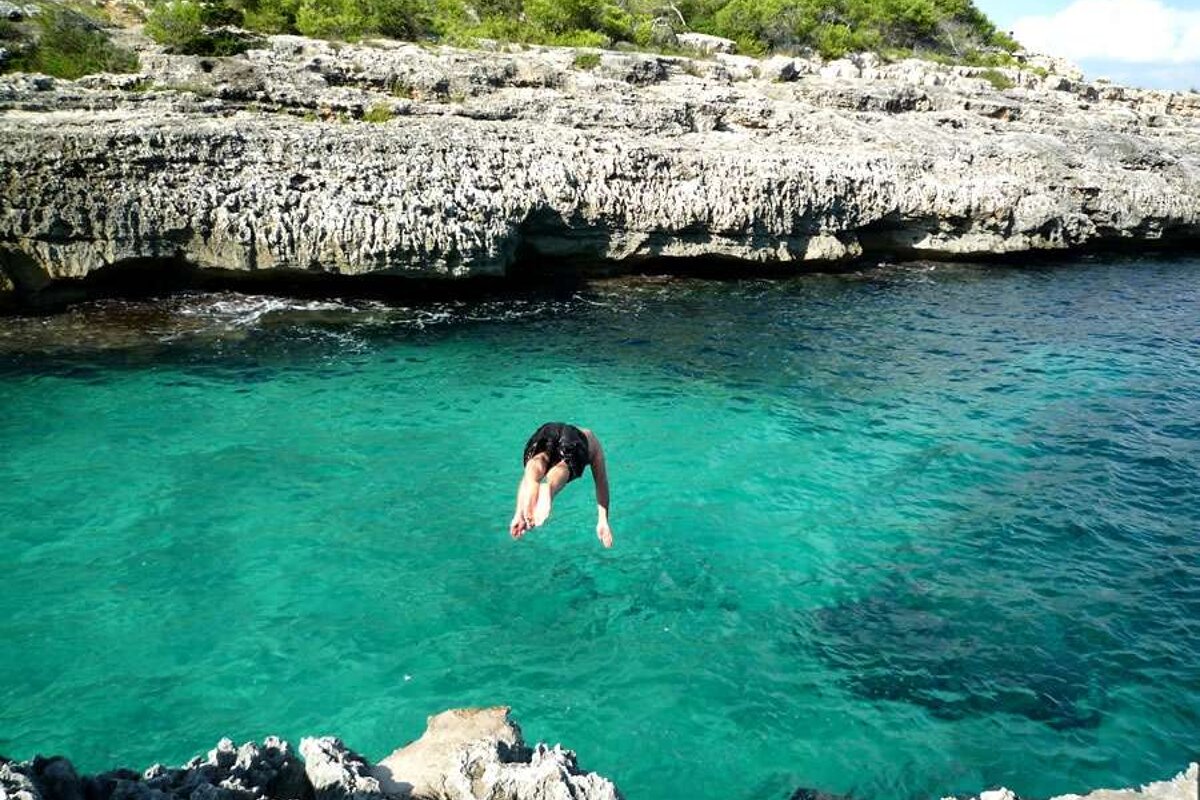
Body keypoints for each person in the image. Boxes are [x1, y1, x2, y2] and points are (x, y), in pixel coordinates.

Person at [510, 422, 613, 548]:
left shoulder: (586, 434)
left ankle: (534, 479)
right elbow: (601, 482)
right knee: (566, 465)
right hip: (575, 439)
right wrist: (603, 521)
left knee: (538, 459)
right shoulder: (593, 443)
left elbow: (524, 480)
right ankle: (550, 488)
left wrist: (518, 514)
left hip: (547, 429)